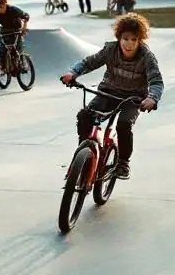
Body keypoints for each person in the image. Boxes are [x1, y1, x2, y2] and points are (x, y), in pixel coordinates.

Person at [61, 12, 163, 180]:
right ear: (118, 38)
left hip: (133, 98)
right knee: (85, 115)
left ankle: (123, 162)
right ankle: (83, 152)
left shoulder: (147, 57)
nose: (129, 44)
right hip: (108, 92)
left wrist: (152, 98)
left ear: (140, 40)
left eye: (134, 40)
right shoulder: (110, 50)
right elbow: (88, 62)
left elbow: (157, 81)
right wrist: (72, 73)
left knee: (123, 124)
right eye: (125, 39)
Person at [0, 0, 30, 67]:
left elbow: (24, 15)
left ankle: (20, 61)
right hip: (5, 30)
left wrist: (26, 17)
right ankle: (3, 65)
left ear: (6, 4)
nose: (2, 8)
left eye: (4, 6)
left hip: (16, 29)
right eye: (0, 7)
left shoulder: (13, 9)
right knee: (3, 49)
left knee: (18, 48)